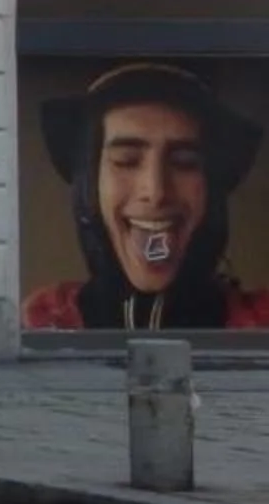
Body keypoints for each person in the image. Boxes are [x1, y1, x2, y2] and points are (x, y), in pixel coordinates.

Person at [25, 63, 269, 332]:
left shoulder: (259, 323)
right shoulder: (42, 322)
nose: (156, 192)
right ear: (91, 181)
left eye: (184, 162)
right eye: (126, 161)